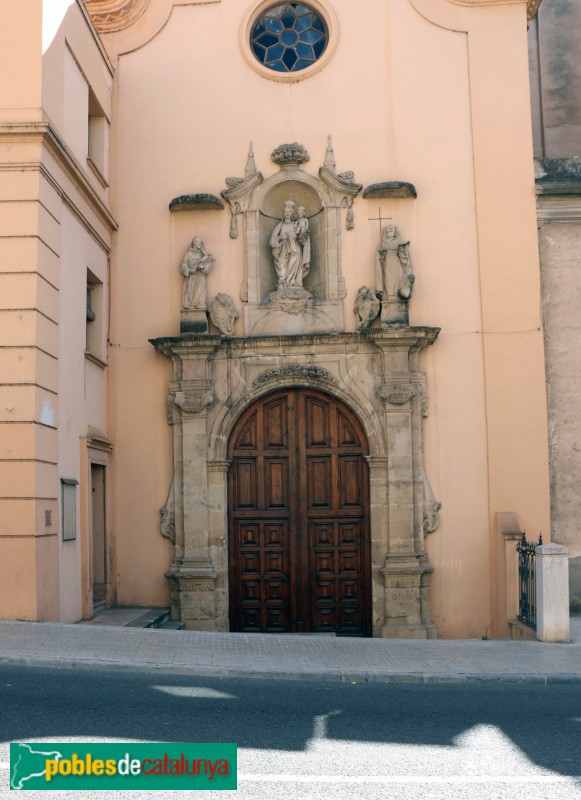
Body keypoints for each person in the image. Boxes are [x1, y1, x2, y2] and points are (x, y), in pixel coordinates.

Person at [376, 224, 414, 302]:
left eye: (392, 228)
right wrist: (382, 255)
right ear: (386, 232)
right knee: (388, 284)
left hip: (398, 267)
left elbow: (406, 260)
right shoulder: (381, 245)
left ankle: (398, 297)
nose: (391, 230)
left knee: (398, 282)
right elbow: (378, 262)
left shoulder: (400, 242)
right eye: (389, 229)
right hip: (387, 267)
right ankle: (390, 299)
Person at [270, 200, 303, 289]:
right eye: (286, 212)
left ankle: (293, 282)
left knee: (294, 263)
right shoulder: (280, 225)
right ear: (283, 213)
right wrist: (281, 237)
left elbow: (301, 236)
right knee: (282, 265)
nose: (287, 213)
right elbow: (272, 240)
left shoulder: (295, 224)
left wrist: (296, 235)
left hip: (294, 249)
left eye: (289, 212)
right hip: (283, 250)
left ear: (292, 213)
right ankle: (283, 282)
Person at [180, 237, 214, 309]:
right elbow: (183, 265)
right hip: (191, 277)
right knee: (191, 292)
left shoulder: (203, 254)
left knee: (201, 289)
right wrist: (189, 270)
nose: (199, 243)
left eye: (200, 242)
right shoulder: (188, 254)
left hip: (200, 275)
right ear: (193, 243)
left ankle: (200, 304)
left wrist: (203, 267)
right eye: (197, 241)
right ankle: (191, 305)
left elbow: (208, 264)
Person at [295, 205, 311, 279]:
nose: (299, 214)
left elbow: (306, 227)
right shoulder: (297, 221)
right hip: (298, 235)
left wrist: (303, 230)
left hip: (303, 235)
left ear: (303, 213)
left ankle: (304, 264)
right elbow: (295, 226)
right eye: (299, 212)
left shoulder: (305, 220)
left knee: (303, 251)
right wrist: (297, 228)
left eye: (301, 212)